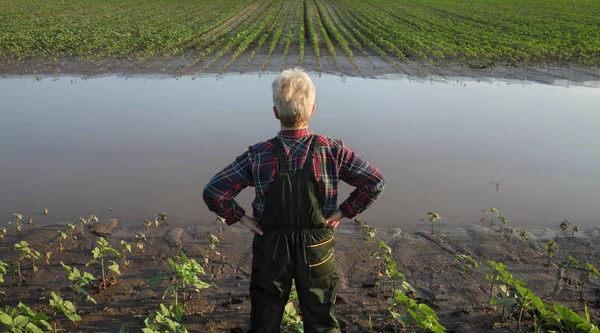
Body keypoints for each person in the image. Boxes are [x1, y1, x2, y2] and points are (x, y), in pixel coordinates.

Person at [203, 68, 385, 333]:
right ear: (312, 109)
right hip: (317, 245)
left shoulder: (259, 154)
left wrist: (242, 219)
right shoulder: (332, 150)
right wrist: (342, 213)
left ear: (275, 112)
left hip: (271, 245)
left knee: (265, 318)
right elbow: (374, 182)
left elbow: (214, 191)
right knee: (321, 318)